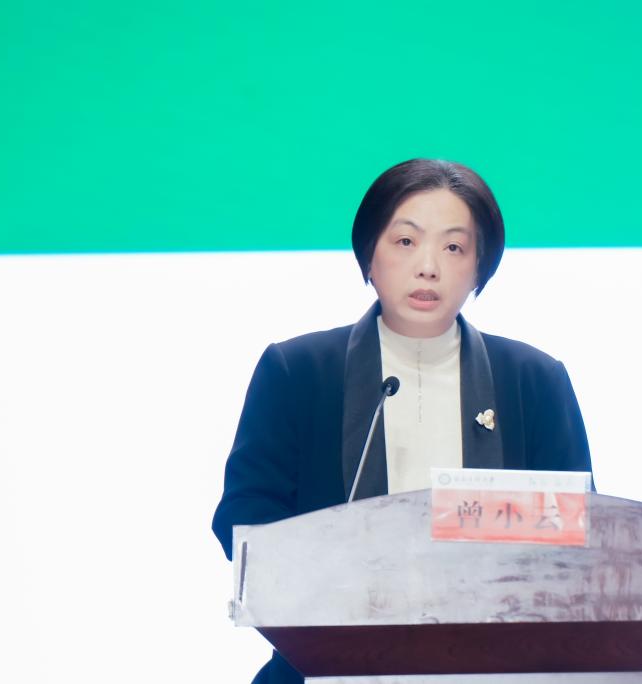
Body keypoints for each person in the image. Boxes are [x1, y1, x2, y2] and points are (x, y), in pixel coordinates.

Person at [212, 158, 592, 683]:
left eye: (454, 247)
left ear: (480, 265)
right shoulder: (298, 371)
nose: (428, 267)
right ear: (369, 253)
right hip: (327, 665)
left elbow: (579, 535)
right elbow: (245, 519)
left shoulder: (533, 379)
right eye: (406, 241)